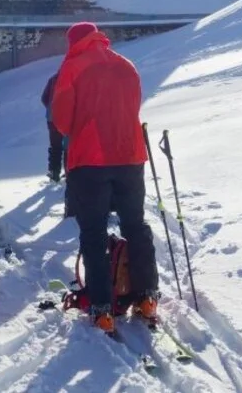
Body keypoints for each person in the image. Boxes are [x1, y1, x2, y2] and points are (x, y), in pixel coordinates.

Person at [51, 22, 159, 334]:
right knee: (135, 225)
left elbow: (61, 120)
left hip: (91, 161)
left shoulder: (72, 67)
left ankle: (102, 307)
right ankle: (146, 296)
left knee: (94, 232)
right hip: (130, 156)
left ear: (74, 42)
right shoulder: (126, 66)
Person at [40, 72, 65, 183]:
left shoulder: (53, 79)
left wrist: (50, 107)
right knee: (69, 146)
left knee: (55, 145)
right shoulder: (73, 77)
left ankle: (54, 172)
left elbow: (44, 98)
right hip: (67, 117)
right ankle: (69, 171)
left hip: (52, 118)